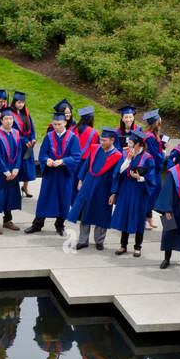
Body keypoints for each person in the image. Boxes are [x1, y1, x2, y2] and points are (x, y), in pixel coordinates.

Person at [25, 104, 82, 236]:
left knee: (63, 200)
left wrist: (63, 161)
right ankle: (37, 224)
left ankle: (60, 225)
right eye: (55, 124)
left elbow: (76, 157)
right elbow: (42, 154)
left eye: (59, 124)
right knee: (44, 198)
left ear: (65, 122)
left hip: (64, 175)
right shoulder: (49, 137)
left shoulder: (72, 138)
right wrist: (47, 161)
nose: (57, 127)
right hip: (50, 174)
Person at [69, 126, 122, 250]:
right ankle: (83, 240)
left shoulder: (117, 156)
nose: (101, 142)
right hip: (88, 185)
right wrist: (81, 180)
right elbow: (86, 165)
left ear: (112, 140)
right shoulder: (95, 149)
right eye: (101, 140)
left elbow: (116, 176)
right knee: (85, 212)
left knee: (102, 213)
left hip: (104, 189)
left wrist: (114, 193)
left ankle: (99, 241)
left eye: (104, 140)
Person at [110, 129, 158, 256]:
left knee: (139, 217)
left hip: (139, 192)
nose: (129, 144)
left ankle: (138, 246)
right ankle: (123, 245)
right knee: (125, 216)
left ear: (139, 144)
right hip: (126, 190)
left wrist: (140, 178)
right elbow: (118, 172)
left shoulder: (148, 158)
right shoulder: (125, 154)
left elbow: (152, 178)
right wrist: (128, 160)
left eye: (131, 142)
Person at [0, 105, 22, 234]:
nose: (9, 121)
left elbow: (19, 152)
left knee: (9, 196)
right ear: (1, 120)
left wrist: (16, 169)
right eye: (6, 118)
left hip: (12, 172)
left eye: (11, 119)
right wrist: (6, 171)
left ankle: (7, 220)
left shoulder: (16, 134)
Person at [12, 92, 36, 198]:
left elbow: (32, 127)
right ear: (14, 102)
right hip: (17, 144)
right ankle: (16, 189)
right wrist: (23, 140)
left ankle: (25, 187)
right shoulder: (11, 114)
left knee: (28, 167)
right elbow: (13, 130)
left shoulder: (26, 113)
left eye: (22, 102)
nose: (21, 104)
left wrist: (33, 138)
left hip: (28, 145)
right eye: (19, 102)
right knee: (18, 166)